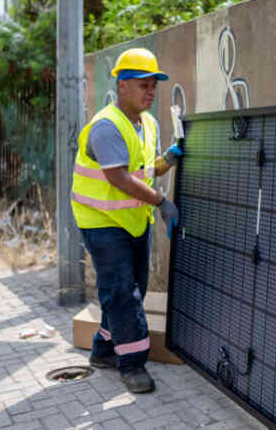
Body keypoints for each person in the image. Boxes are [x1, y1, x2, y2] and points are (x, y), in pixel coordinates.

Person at [70, 47, 183, 394]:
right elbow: (119, 178)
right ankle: (132, 364)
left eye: (153, 85)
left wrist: (167, 160)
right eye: (142, 84)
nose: (150, 92)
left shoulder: (149, 124)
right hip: (101, 221)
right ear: (122, 85)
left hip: (133, 220)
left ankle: (103, 350)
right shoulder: (106, 127)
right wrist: (162, 202)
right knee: (123, 293)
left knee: (132, 289)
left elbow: (144, 170)